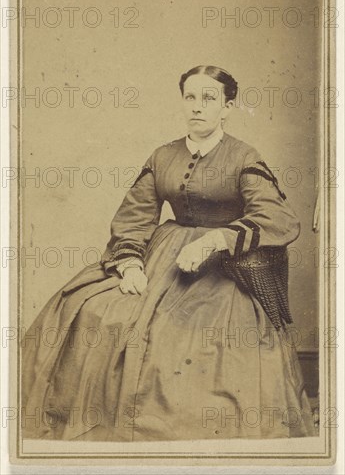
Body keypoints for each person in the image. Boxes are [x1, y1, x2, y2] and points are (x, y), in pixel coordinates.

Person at [22, 65, 316, 441]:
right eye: (190, 97)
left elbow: (276, 217)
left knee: (199, 339)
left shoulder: (243, 157)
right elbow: (134, 215)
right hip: (164, 258)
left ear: (227, 107)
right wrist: (129, 263)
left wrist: (214, 241)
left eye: (209, 98)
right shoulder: (163, 156)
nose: (197, 107)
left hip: (224, 269)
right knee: (94, 307)